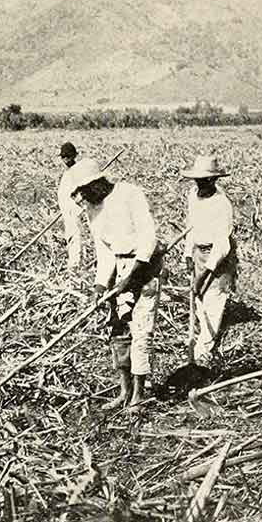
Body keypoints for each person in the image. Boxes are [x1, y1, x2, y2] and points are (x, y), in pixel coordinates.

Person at [68, 158, 159, 408]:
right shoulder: (92, 209)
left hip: (144, 267)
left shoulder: (130, 194)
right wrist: (100, 285)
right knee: (117, 330)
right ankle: (124, 391)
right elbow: (104, 251)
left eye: (84, 191)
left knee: (141, 331)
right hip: (119, 268)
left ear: (97, 184)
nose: (82, 198)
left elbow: (148, 237)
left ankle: (139, 394)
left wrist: (131, 278)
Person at [181, 155, 237, 365]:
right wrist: (188, 254)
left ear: (214, 180)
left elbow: (223, 244)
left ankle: (202, 357)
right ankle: (199, 346)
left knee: (213, 301)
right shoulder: (193, 195)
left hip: (217, 257)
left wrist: (204, 274)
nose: (200, 184)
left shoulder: (222, 204)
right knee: (199, 302)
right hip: (197, 252)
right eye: (198, 180)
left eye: (205, 181)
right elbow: (190, 227)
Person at [56, 142, 85, 272]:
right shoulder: (67, 173)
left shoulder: (78, 172)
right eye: (64, 156)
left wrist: (77, 204)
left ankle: (75, 265)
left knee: (74, 236)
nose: (66, 159)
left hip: (74, 211)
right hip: (66, 211)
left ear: (74, 156)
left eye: (68, 156)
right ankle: (72, 262)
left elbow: (83, 192)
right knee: (70, 236)